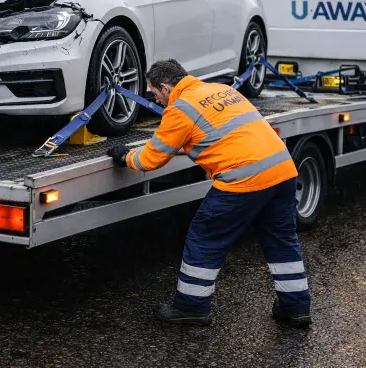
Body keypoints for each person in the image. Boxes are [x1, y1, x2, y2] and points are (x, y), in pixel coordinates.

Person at [106, 59, 312, 327]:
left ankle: (191, 307)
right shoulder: (221, 90)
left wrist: (125, 156)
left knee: (205, 237)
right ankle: (296, 308)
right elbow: (217, 134)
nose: (157, 100)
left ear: (166, 87)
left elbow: (149, 160)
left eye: (155, 94)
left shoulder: (180, 108)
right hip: (283, 171)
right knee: (282, 241)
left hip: (243, 179)